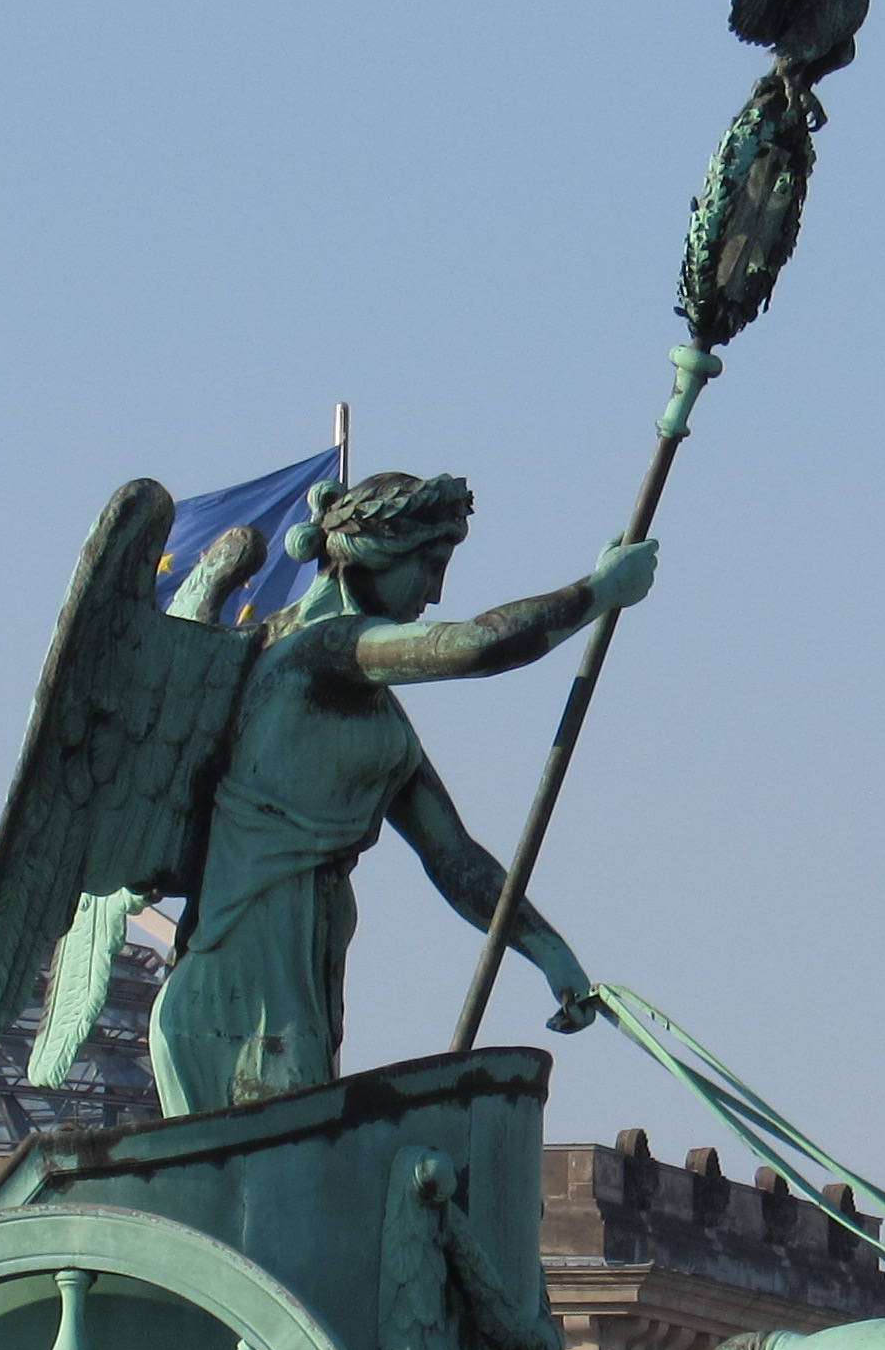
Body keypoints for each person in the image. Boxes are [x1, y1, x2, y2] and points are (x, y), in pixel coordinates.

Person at [151, 471, 656, 1116]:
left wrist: (551, 955)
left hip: (295, 981)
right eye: (430, 564)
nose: (436, 589)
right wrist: (598, 593)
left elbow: (454, 858)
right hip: (236, 996)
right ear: (375, 555)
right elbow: (475, 645)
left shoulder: (376, 719)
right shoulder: (317, 649)